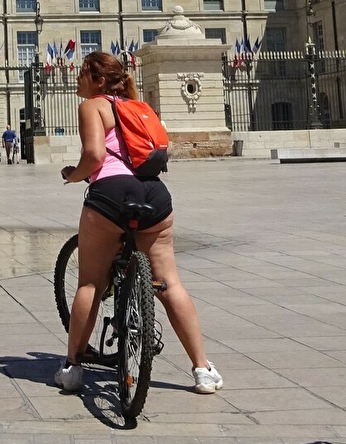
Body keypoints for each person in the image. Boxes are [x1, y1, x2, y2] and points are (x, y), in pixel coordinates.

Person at [56, 51, 223, 396]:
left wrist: (74, 176)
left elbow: (95, 156)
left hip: (111, 196)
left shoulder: (93, 106)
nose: (77, 78)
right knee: (170, 284)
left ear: (99, 81)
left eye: (82, 73)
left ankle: (73, 368)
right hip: (155, 196)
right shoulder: (138, 106)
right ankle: (203, 369)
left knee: (90, 284)